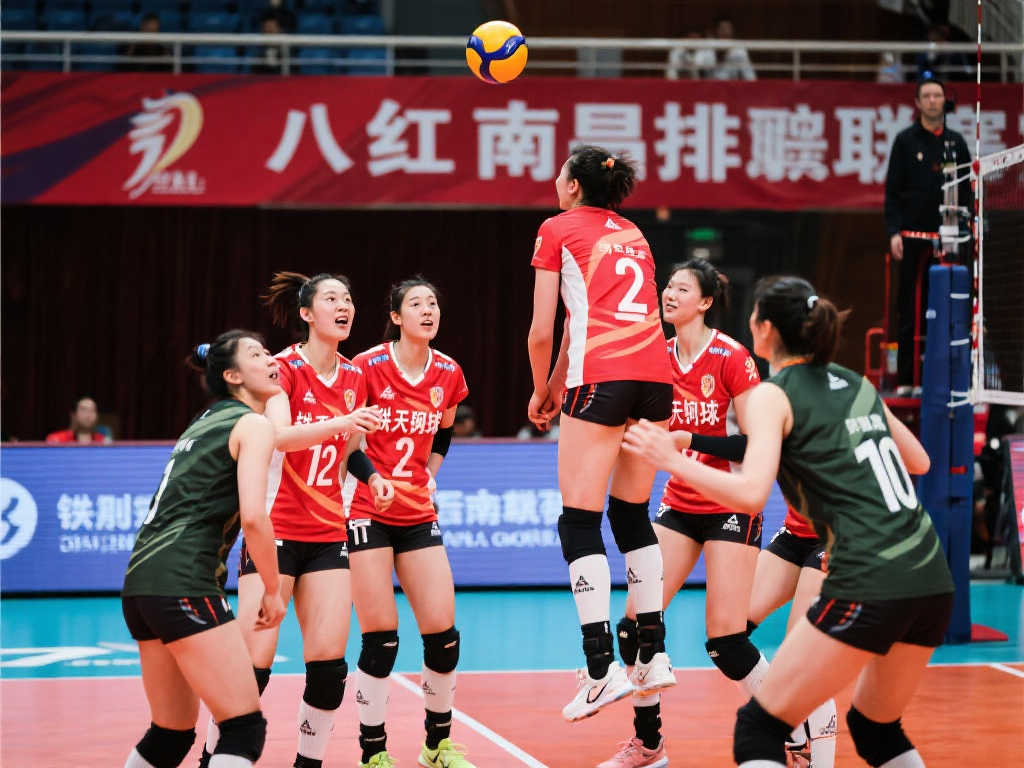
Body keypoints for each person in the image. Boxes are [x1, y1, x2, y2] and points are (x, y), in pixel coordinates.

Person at [623, 276, 953, 768]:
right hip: (929, 571)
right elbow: (920, 461)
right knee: (876, 730)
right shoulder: (855, 383)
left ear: (765, 329)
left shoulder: (772, 395)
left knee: (758, 729)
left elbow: (751, 493)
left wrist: (672, 459)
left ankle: (815, 755)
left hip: (865, 566)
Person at [198, 273, 394, 768]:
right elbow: (280, 436)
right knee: (252, 670)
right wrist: (343, 423)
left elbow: (350, 450)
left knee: (329, 671)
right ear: (306, 314)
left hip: (328, 532)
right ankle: (210, 757)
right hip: (277, 530)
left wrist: (372, 477)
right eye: (331, 298)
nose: (343, 305)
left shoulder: (355, 377)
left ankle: (309, 763)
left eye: (348, 298)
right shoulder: (281, 369)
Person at [527, 145, 676, 724]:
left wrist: (540, 389)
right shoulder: (634, 233)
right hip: (655, 378)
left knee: (579, 521)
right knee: (632, 514)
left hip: (603, 376)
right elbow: (578, 322)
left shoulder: (557, 228)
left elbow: (543, 331)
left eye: (559, 174)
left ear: (572, 185)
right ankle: (654, 656)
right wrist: (555, 384)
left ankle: (599, 668)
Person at [600, 259, 764, 768]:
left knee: (727, 643)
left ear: (706, 302)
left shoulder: (732, 357)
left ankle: (792, 727)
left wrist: (690, 438)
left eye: (682, 289)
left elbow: (754, 441)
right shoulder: (655, 356)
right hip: (680, 503)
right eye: (667, 286)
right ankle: (649, 745)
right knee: (633, 626)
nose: (669, 294)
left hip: (730, 503)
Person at [121, 330, 287, 768]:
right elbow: (255, 517)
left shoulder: (204, 420)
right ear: (232, 375)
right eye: (257, 354)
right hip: (184, 582)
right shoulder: (253, 424)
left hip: (141, 586)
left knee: (170, 734)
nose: (271, 359)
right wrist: (273, 589)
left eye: (268, 352)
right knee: (243, 728)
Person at [349, 278, 473, 768]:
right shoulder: (366, 366)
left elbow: (443, 433)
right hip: (367, 510)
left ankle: (436, 747)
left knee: (444, 636)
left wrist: (430, 475)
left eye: (433, 303)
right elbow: (348, 442)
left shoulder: (449, 372)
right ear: (397, 317)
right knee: (381, 640)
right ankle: (373, 753)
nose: (428, 310)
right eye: (417, 304)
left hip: (418, 511)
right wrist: (373, 477)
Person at [884, 77, 972, 394]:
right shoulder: (905, 141)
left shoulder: (956, 143)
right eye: (927, 96)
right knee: (910, 307)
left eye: (938, 95)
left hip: (948, 239)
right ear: (918, 103)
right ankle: (907, 379)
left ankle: (944, 377)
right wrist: (894, 232)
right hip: (912, 236)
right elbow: (892, 192)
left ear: (945, 101)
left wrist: (967, 227)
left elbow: (967, 190)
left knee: (948, 308)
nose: (933, 100)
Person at [46, 396, 111, 444]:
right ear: (74, 415)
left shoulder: (104, 442)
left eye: (92, 410)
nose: (88, 415)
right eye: (83, 410)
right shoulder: (56, 440)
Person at [709, 17, 756, 81]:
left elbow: (750, 76)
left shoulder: (739, 51)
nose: (725, 32)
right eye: (722, 29)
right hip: (709, 85)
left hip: (730, 85)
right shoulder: (708, 47)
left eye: (728, 29)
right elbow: (696, 68)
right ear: (716, 31)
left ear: (732, 31)